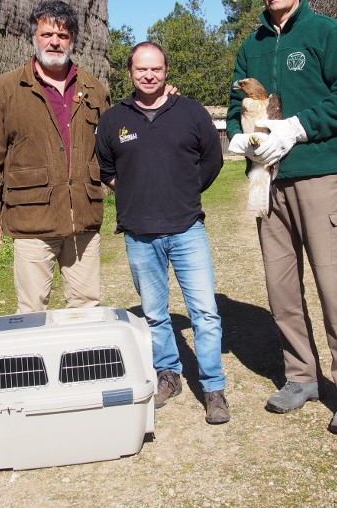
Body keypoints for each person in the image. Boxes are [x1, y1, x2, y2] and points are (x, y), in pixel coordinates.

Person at [226, 0, 337, 435]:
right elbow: (235, 104)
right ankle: (300, 376)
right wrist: (239, 136)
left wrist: (298, 128)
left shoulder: (326, 34)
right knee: (281, 289)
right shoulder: (251, 45)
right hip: (267, 182)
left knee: (335, 288)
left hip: (317, 177)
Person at [95, 42, 230, 425]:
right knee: (155, 314)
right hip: (139, 234)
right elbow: (107, 168)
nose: (149, 75)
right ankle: (169, 374)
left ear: (166, 71)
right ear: (130, 72)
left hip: (187, 229)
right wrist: (139, 193)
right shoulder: (113, 120)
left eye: (155, 69)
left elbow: (212, 159)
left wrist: (184, 192)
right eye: (141, 70)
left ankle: (213, 388)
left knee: (204, 312)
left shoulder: (190, 112)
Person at [0, 0, 110, 313]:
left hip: (83, 222)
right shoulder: (7, 89)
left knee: (87, 308)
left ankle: (81, 363)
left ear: (73, 39)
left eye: (62, 35)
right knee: (32, 311)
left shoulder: (94, 90)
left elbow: (114, 148)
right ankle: (35, 364)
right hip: (32, 221)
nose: (54, 42)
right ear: (34, 37)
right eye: (47, 34)